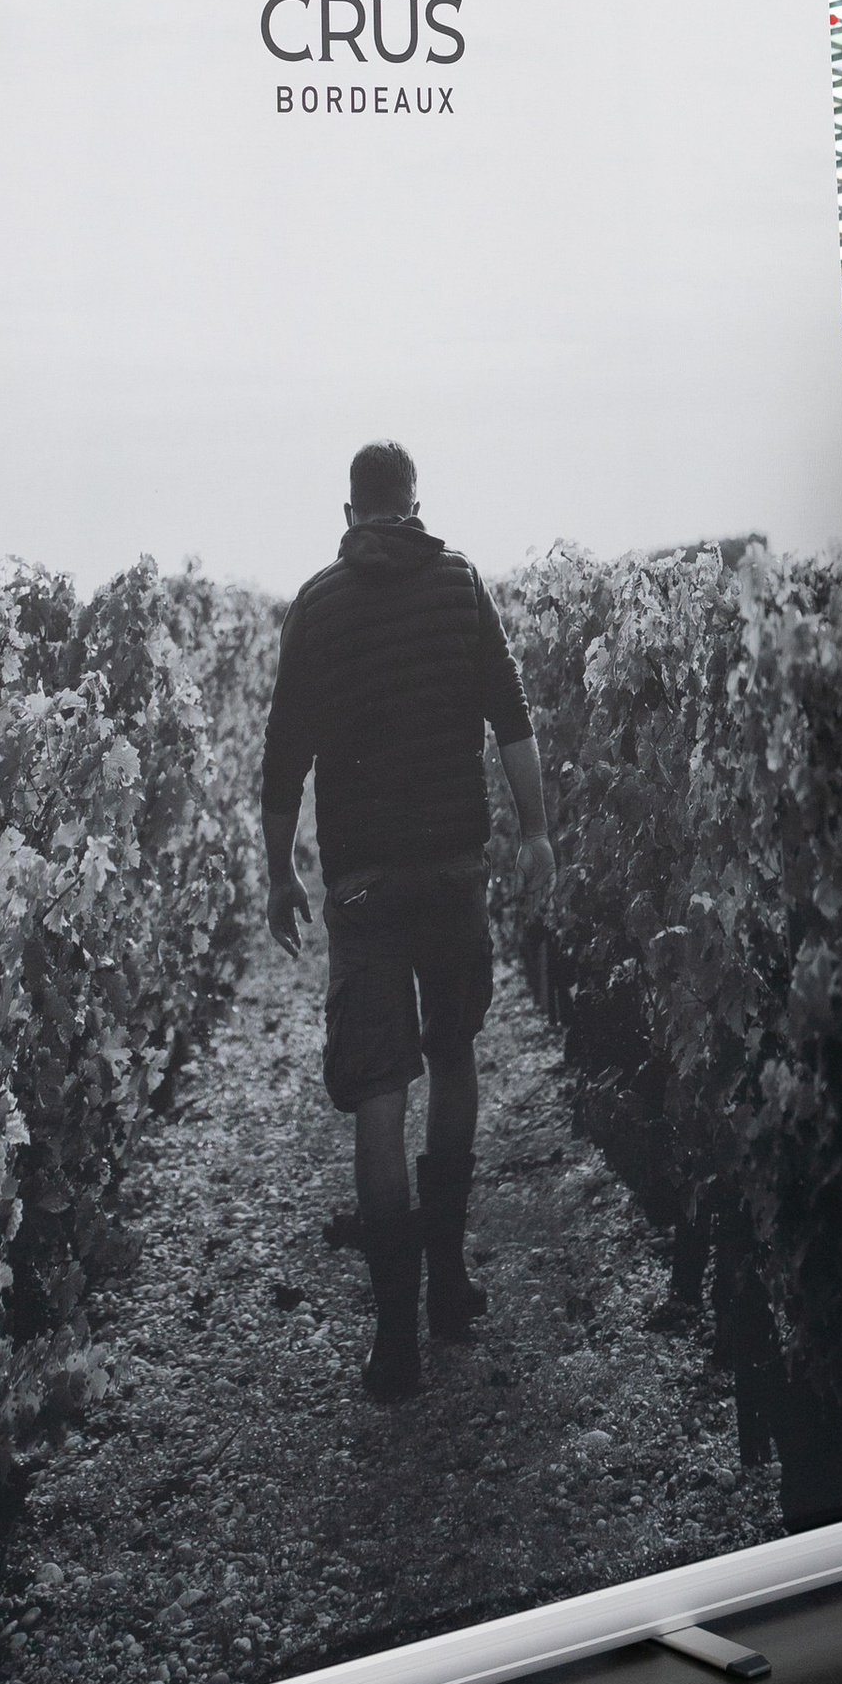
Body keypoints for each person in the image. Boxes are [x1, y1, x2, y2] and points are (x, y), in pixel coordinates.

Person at [263, 440, 554, 1404]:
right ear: (415, 503)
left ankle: (395, 1341)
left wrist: (278, 873)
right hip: (455, 872)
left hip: (363, 889)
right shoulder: (463, 584)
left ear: (350, 512)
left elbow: (282, 760)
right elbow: (512, 720)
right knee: (457, 1057)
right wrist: (538, 833)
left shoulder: (315, 604)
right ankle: (449, 1282)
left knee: (379, 1090)